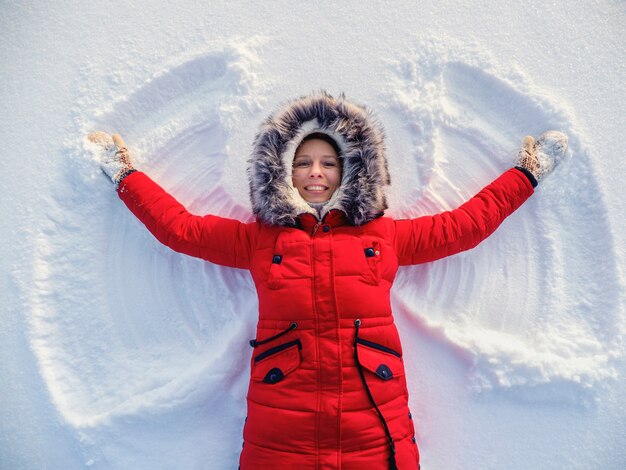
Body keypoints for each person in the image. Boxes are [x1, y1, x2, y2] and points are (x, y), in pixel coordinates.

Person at [87, 91, 568, 469]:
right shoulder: (262, 240)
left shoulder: (381, 238)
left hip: (373, 429)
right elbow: (182, 229)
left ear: (350, 170)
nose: (315, 172)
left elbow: (465, 226)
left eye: (328, 162)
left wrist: (526, 174)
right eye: (303, 162)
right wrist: (125, 175)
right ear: (283, 171)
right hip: (280, 435)